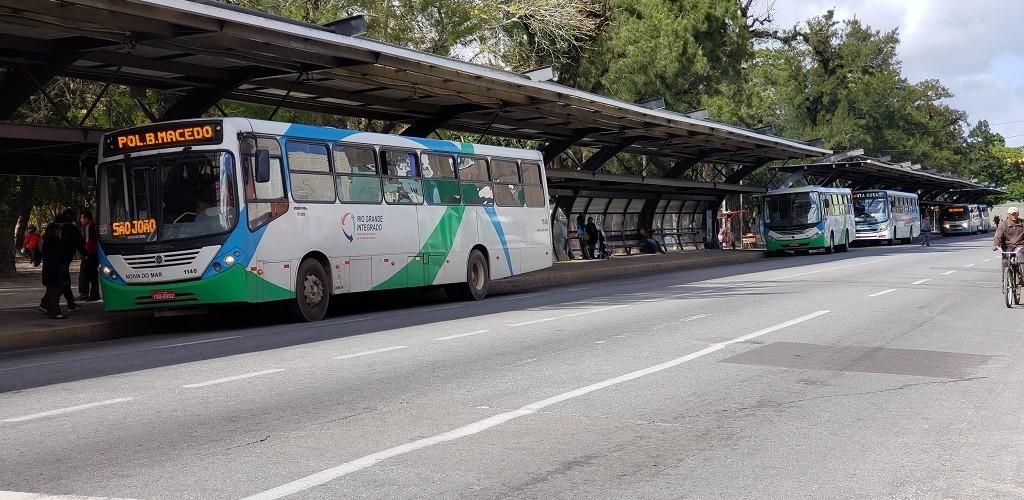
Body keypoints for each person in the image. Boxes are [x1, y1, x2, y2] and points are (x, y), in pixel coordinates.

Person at [39, 223, 68, 319]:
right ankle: (54, 312)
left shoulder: (45, 241)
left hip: (47, 269)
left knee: (52, 289)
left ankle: (47, 307)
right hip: (56, 269)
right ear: (56, 231)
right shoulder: (57, 241)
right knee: (55, 291)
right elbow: (62, 255)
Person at [78, 210, 100, 301]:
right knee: (91, 275)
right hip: (93, 253)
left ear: (86, 219)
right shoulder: (91, 226)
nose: (80, 220)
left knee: (87, 274)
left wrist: (86, 253)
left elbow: (89, 242)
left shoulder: (89, 227)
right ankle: (93, 294)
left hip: (90, 254)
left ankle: (87, 293)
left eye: (82, 218)